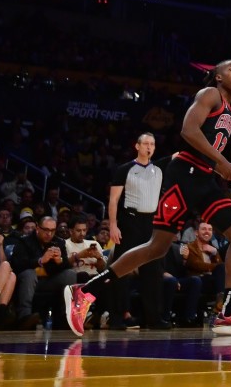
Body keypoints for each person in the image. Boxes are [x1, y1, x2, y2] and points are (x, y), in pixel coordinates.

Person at [65, 62, 231, 337]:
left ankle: (227, 313)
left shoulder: (230, 109)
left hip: (203, 179)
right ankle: (84, 291)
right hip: (182, 177)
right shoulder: (210, 94)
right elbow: (188, 131)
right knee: (156, 247)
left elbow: (211, 156)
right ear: (217, 76)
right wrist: (225, 164)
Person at [101, 132, 164, 330]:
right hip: (130, 221)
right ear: (137, 146)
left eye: (152, 144)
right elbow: (113, 200)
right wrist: (113, 225)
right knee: (122, 269)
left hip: (151, 223)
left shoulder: (160, 169)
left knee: (153, 271)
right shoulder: (125, 169)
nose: (149, 147)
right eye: (145, 143)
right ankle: (117, 317)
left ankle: (153, 318)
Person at [9, 214, 75, 329]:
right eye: (46, 230)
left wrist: (59, 261)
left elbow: (66, 266)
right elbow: (19, 264)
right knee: (29, 273)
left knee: (70, 274)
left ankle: (67, 317)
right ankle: (25, 317)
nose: (49, 234)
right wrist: (40, 260)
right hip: (27, 281)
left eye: (52, 230)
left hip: (48, 281)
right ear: (38, 229)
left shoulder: (59, 242)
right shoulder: (24, 241)